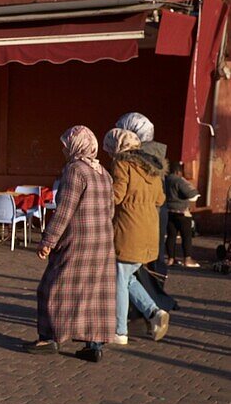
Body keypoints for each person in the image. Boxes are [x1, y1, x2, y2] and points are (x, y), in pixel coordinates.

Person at [28, 126, 116, 362]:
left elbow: (64, 210)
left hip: (77, 241)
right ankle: (94, 345)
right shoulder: (103, 173)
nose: (63, 150)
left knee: (51, 288)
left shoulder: (75, 171)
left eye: (65, 146)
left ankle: (49, 338)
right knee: (95, 294)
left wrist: (48, 240)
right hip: (103, 241)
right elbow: (111, 209)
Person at [103, 128, 170, 346]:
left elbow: (117, 195)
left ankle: (119, 330)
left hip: (128, 230)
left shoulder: (122, 164)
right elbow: (160, 199)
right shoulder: (152, 168)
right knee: (128, 276)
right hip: (149, 230)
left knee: (119, 279)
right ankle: (154, 312)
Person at [115, 112, 169, 271]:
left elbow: (118, 195)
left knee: (123, 277)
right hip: (151, 224)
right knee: (135, 277)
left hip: (130, 227)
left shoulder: (127, 162)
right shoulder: (155, 160)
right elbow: (160, 198)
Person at [164, 161, 201, 268]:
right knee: (186, 236)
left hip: (169, 211)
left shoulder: (165, 180)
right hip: (182, 212)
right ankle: (187, 259)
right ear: (178, 171)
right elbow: (191, 193)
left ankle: (171, 259)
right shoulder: (179, 180)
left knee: (171, 236)